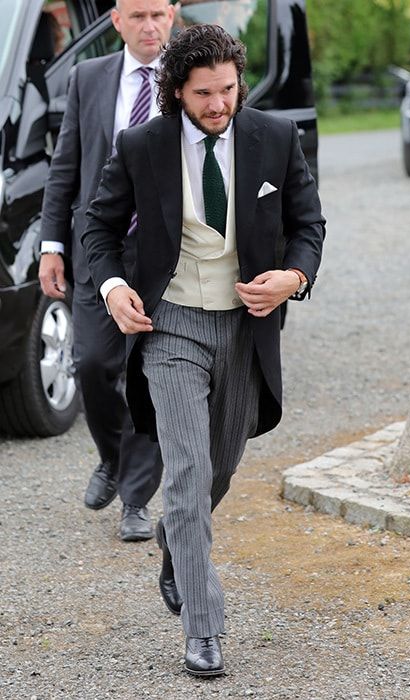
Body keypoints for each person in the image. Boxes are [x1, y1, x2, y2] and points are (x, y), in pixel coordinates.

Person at [81, 24, 325, 677]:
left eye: (228, 89)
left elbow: (309, 225)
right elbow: (98, 228)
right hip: (172, 328)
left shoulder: (272, 138)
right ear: (178, 91)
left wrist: (293, 277)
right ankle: (204, 626)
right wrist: (110, 287)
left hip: (247, 331)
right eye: (204, 93)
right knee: (186, 476)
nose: (219, 103)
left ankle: (174, 541)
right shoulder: (141, 146)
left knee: (218, 469)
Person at [38, 0, 175, 541]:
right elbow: (65, 165)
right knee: (92, 362)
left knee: (146, 372)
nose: (149, 26)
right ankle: (112, 458)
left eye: (159, 14)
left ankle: (136, 499)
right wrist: (52, 244)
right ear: (116, 20)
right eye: (137, 15)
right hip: (99, 243)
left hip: (166, 251)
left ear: (173, 17)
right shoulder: (87, 78)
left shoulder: (191, 77)